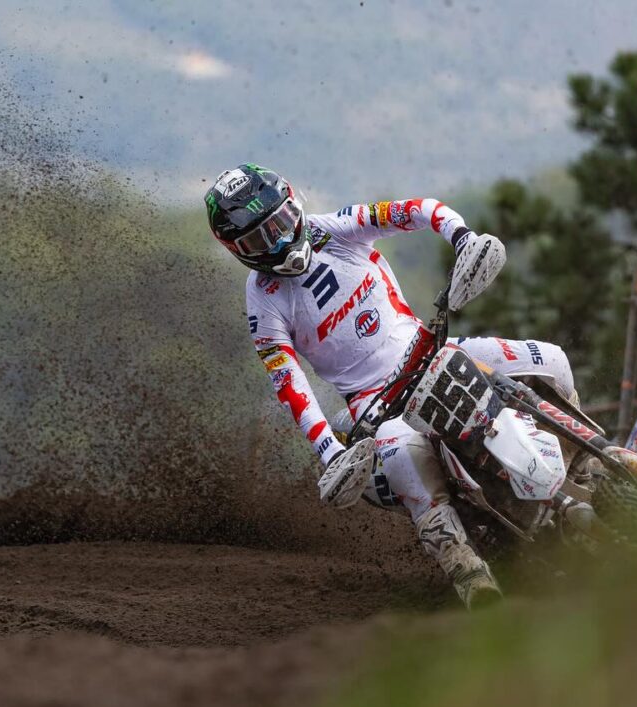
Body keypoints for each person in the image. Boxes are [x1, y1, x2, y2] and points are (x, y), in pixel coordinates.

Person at [205, 164, 577, 608]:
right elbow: (289, 383)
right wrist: (330, 451)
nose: (280, 241)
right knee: (402, 457)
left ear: (293, 203)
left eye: (282, 222)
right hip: (378, 404)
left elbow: (416, 209)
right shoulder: (262, 301)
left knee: (552, 360)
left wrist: (461, 236)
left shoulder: (335, 228)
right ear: (237, 250)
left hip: (435, 350)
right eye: (259, 240)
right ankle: (467, 571)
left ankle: (587, 467)